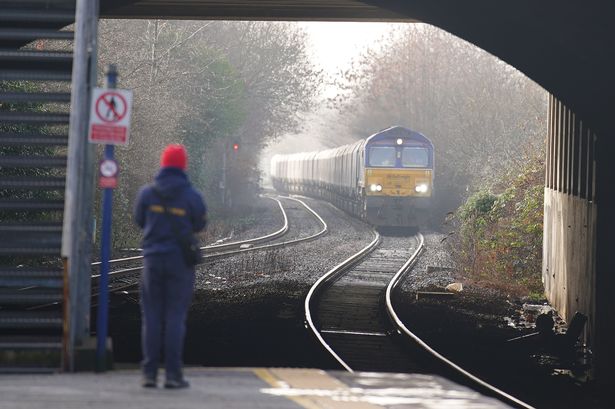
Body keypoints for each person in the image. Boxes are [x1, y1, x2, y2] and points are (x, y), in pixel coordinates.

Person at [134, 144, 207, 389]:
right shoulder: (192, 196)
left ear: (163, 164)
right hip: (179, 264)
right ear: (183, 166)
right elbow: (199, 224)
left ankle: (150, 374)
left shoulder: (147, 193)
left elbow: (139, 220)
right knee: (175, 316)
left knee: (152, 317)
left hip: (152, 261)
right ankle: (174, 375)